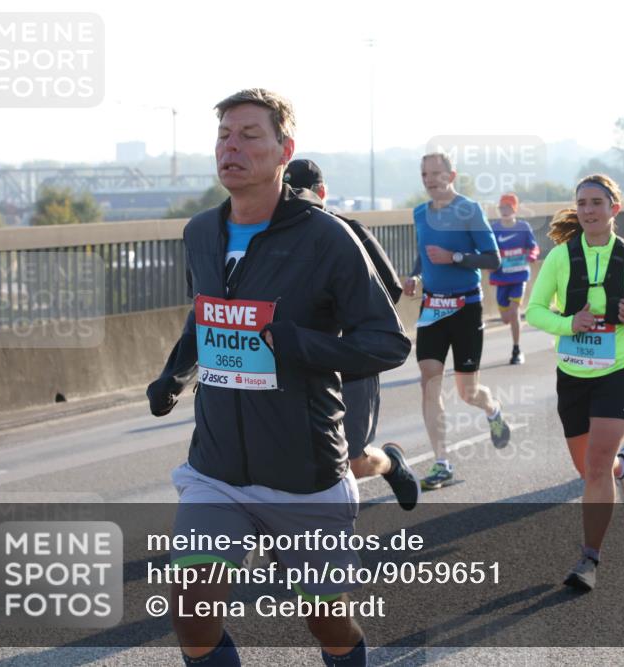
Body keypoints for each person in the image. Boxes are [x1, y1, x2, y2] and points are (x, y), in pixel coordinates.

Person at [146, 88, 411, 667]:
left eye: (249, 135)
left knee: (327, 622)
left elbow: (387, 342)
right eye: (223, 136)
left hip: (303, 473)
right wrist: (175, 371)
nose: (231, 147)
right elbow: (208, 309)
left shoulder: (326, 237)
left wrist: (298, 344)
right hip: (216, 470)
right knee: (190, 608)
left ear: (284, 149)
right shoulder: (200, 232)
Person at [526, 174, 624, 592]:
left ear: (614, 209)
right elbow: (534, 311)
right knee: (590, 471)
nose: (588, 210)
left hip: (620, 368)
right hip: (573, 372)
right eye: (582, 203)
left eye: (596, 203)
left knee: (597, 465)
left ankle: (589, 559)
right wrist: (569, 322)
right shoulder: (560, 258)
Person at [282, 158, 420, 508]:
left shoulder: (348, 230)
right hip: (304, 365)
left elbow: (389, 285)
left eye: (303, 193)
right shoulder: (278, 238)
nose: (296, 200)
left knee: (353, 461)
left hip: (352, 361)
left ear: (322, 193)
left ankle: (390, 463)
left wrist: (351, 324)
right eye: (289, 193)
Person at [403, 152, 510, 491]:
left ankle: (491, 409)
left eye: (436, 173)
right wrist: (416, 277)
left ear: (452, 174)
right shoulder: (420, 212)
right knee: (429, 381)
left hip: (466, 308)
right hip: (432, 308)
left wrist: (455, 258)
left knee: (468, 392)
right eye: (424, 174)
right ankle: (442, 461)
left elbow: (492, 259)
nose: (430, 179)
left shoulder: (469, 210)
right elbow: (424, 253)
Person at [489, 192, 540, 364]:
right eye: (502, 207)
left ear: (515, 209)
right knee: (505, 318)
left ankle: (516, 349)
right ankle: (513, 328)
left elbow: (534, 247)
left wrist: (531, 256)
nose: (505, 210)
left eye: (508, 207)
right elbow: (487, 251)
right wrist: (488, 263)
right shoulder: (494, 229)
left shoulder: (523, 227)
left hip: (519, 276)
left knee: (514, 310)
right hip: (501, 278)